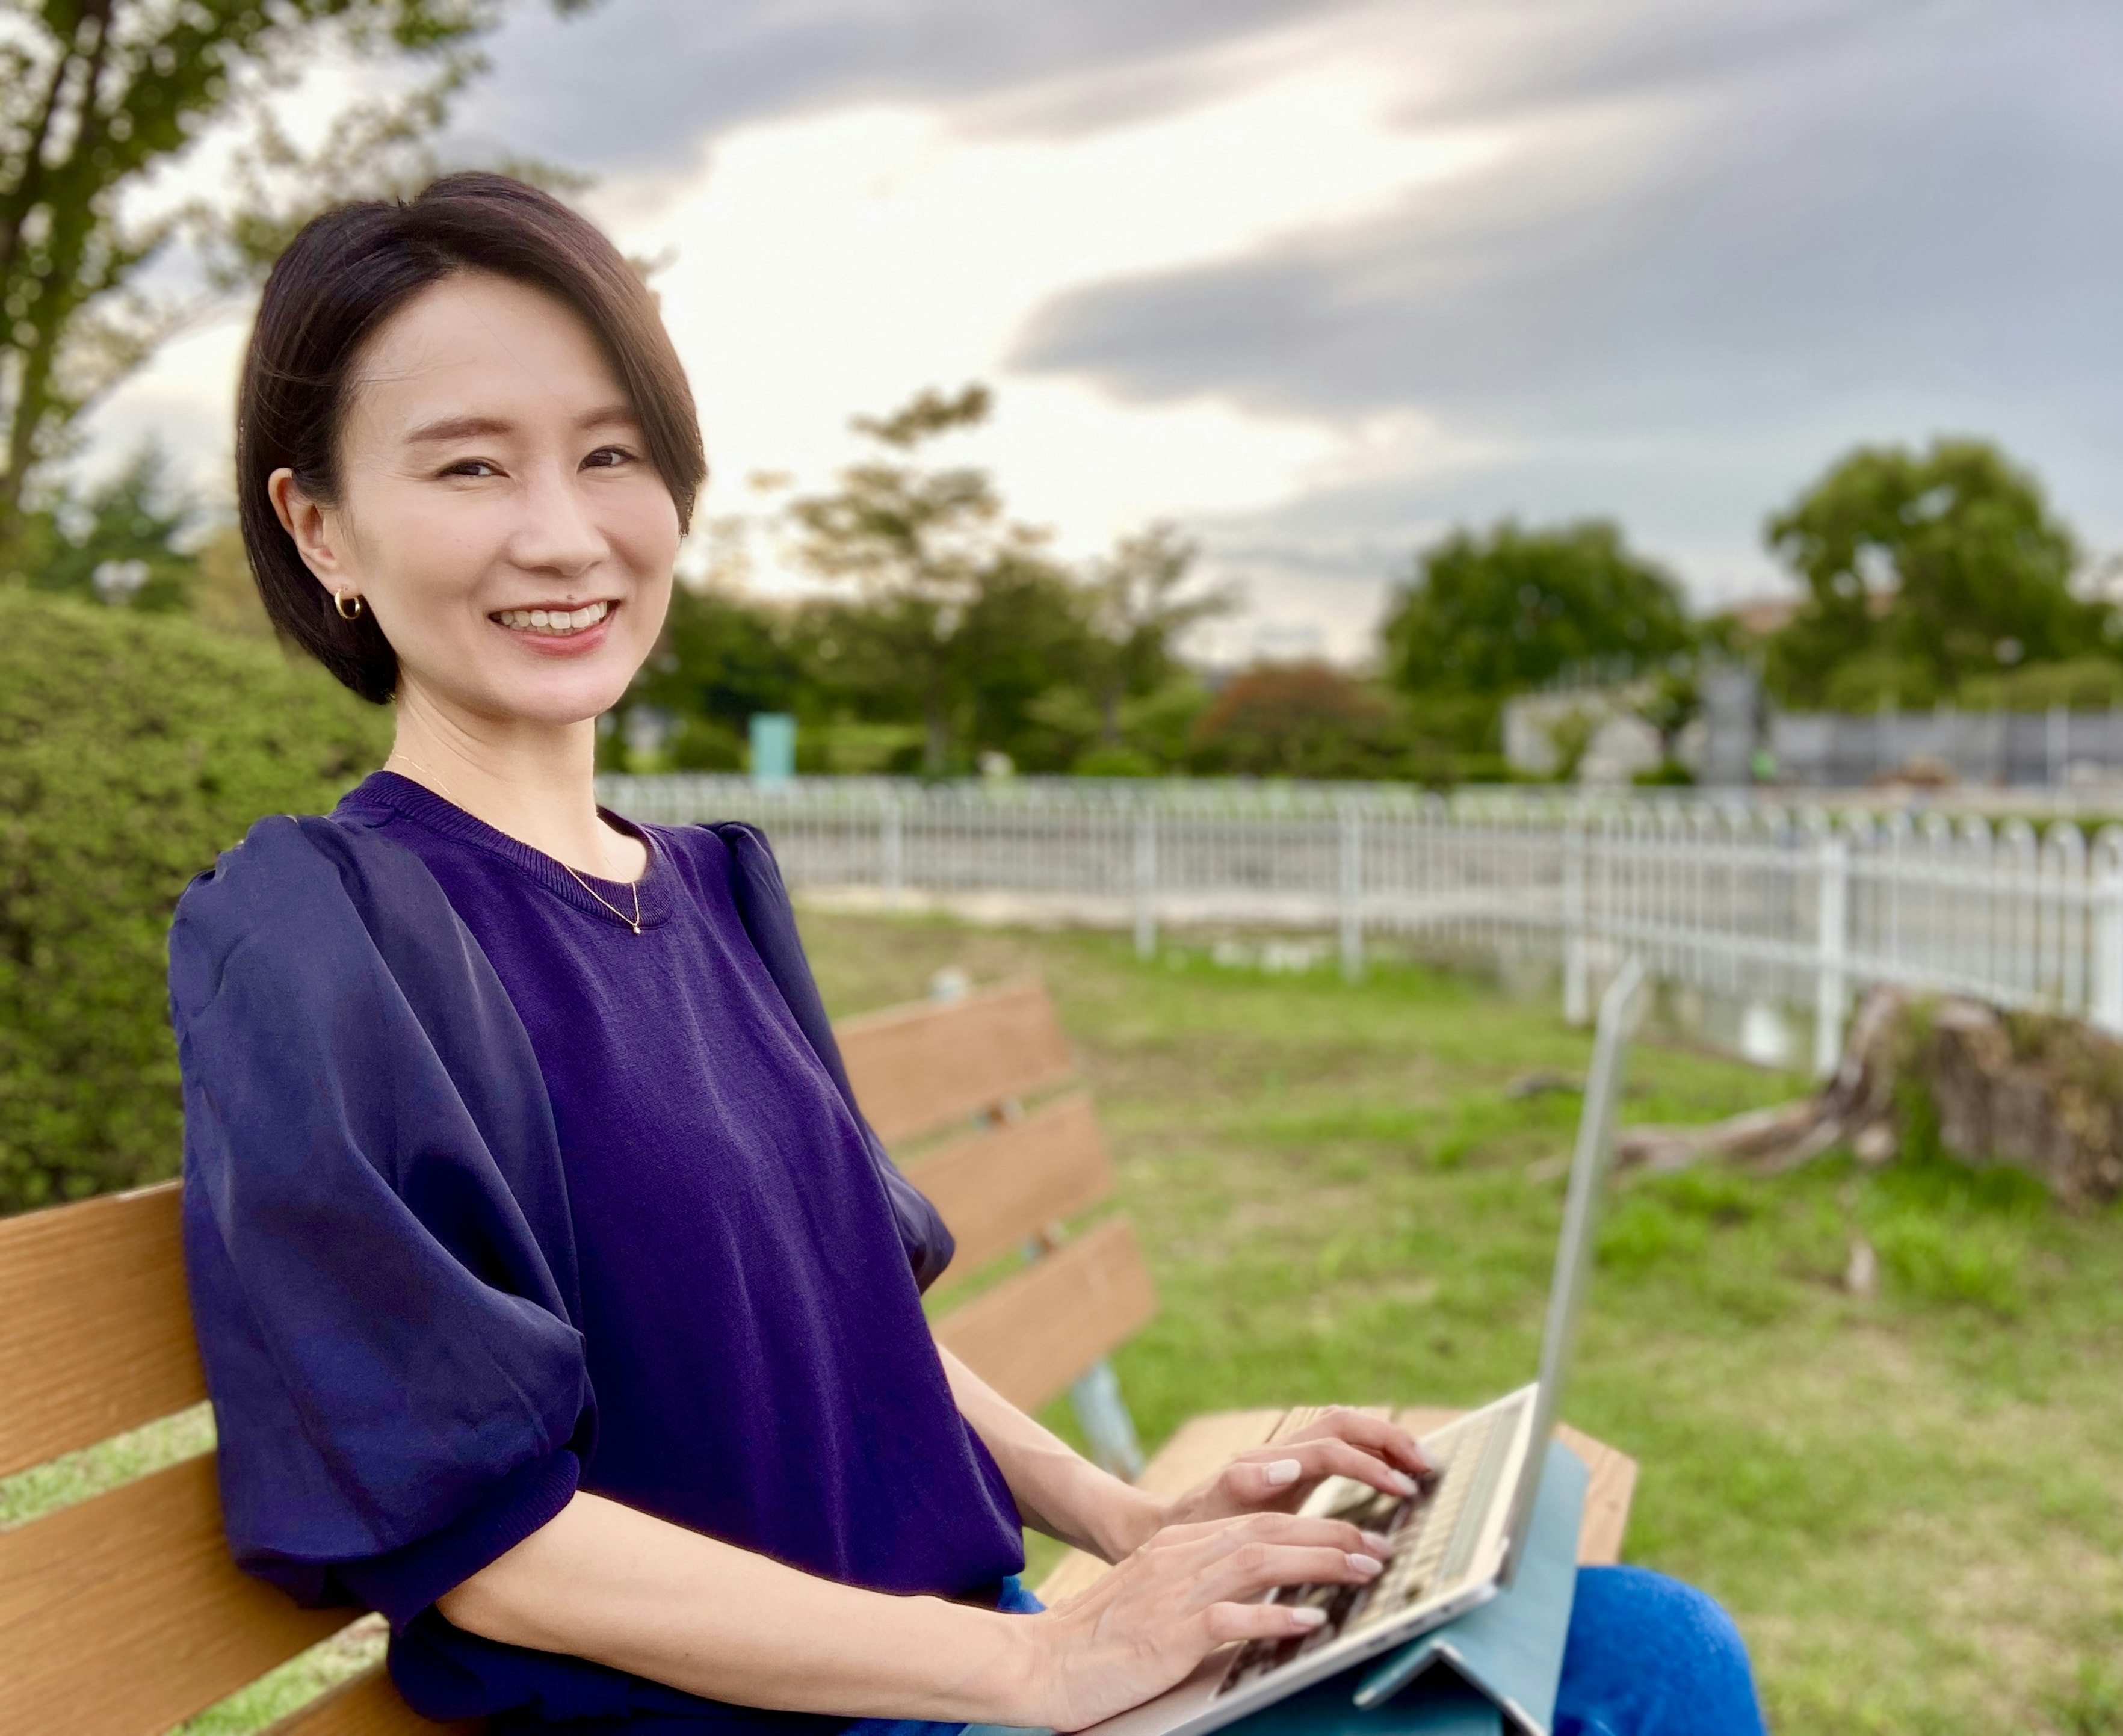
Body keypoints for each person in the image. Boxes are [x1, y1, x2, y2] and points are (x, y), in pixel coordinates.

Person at [172, 173, 1766, 1736]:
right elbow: (490, 1540)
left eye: (612, 454)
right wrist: (1034, 1673)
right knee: (1644, 1679)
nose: (564, 532)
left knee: (1621, 1645)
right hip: (806, 1715)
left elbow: (860, 1321)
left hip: (966, 1677)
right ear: (320, 528)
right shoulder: (322, 935)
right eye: (468, 470)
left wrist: (1126, 1521)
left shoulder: (710, 890)